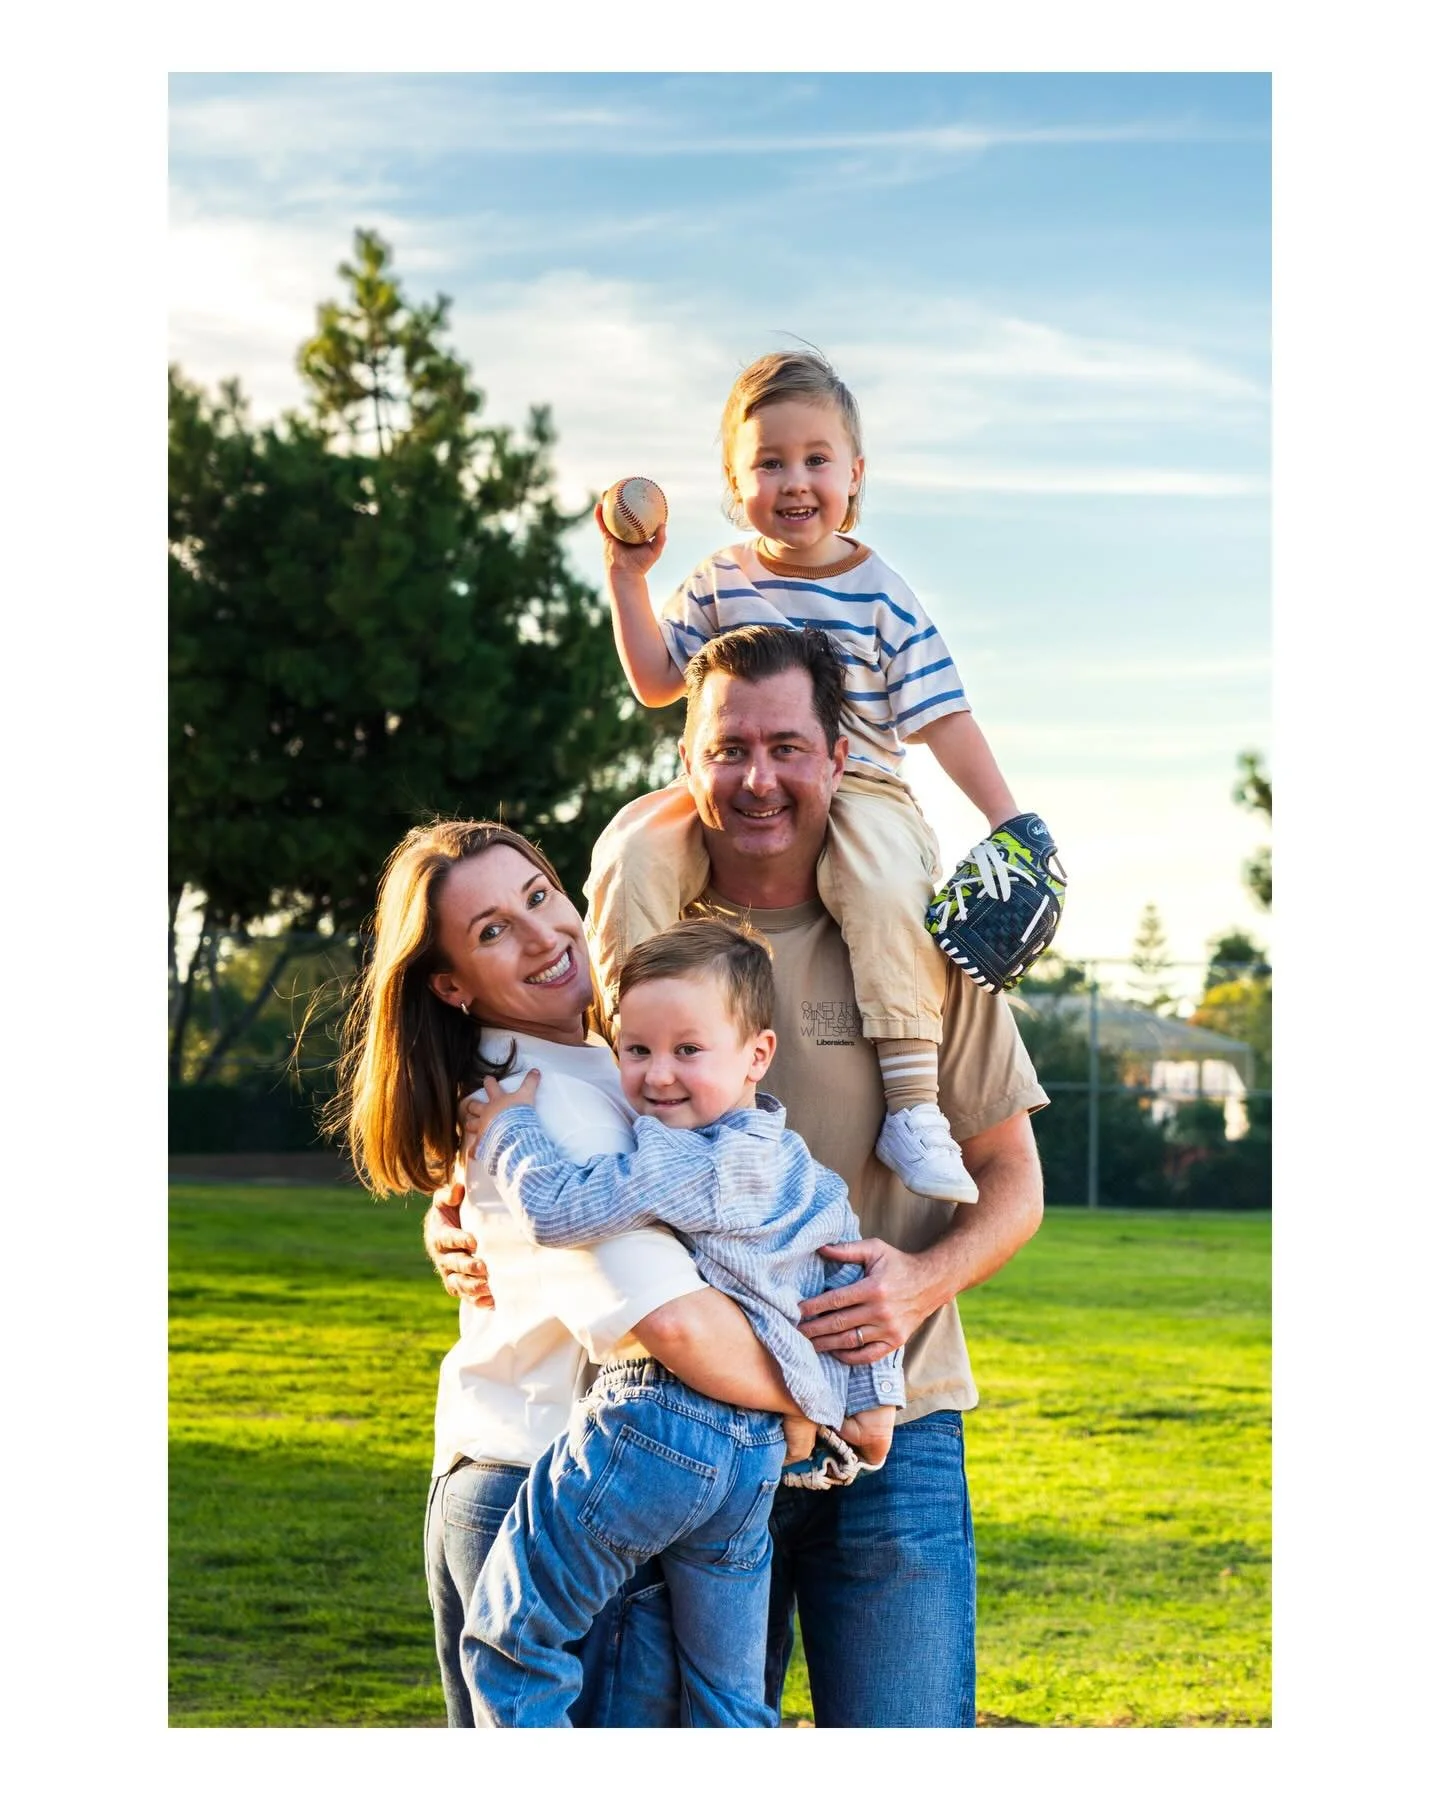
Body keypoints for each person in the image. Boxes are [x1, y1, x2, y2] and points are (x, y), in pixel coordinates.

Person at [430, 624, 1047, 1727]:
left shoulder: (921, 947)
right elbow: (542, 1093)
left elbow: (1015, 1185)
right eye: (728, 749)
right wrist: (468, 1218)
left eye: (787, 746)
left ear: (840, 755)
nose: (757, 778)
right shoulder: (637, 956)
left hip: (893, 1428)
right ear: (688, 761)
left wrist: (915, 1282)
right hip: (696, 1429)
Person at [327, 819, 800, 1728]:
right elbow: (672, 1325)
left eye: (540, 896)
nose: (544, 936)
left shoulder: (590, 1067)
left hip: (546, 1474)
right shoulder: (553, 1106)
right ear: (452, 986)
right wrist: (811, 1400)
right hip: (555, 1487)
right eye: (494, 930)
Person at [586, 347, 1062, 1206]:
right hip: (720, 790)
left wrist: (1008, 823)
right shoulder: (720, 580)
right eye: (768, 462)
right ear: (736, 483)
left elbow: (941, 717)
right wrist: (630, 578)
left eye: (816, 459)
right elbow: (659, 680)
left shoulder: (881, 592)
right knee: (631, 850)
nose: (794, 480)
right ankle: (620, 1057)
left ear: (856, 473)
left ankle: (913, 1104)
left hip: (864, 789)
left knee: (881, 880)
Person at [457, 918, 903, 1728]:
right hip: (753, 1464)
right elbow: (855, 1281)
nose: (657, 1077)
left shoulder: (676, 1159)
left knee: (511, 1638)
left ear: (757, 1055)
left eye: (687, 1051)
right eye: (636, 1050)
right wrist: (875, 1405)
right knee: (730, 1700)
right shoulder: (798, 1167)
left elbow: (560, 1207)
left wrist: (506, 1130)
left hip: (657, 1421)